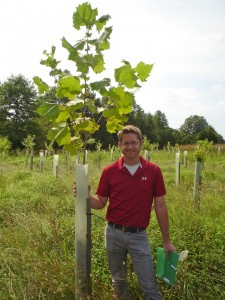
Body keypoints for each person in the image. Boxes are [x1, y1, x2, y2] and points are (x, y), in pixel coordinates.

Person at [74, 125, 176, 300]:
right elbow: (100, 202)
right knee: (119, 282)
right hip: (113, 234)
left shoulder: (153, 171)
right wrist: (85, 195)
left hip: (139, 236)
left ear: (141, 143)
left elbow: (160, 205)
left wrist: (167, 241)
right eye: (126, 143)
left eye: (134, 143)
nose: (130, 147)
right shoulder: (109, 171)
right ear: (119, 145)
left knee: (149, 286)